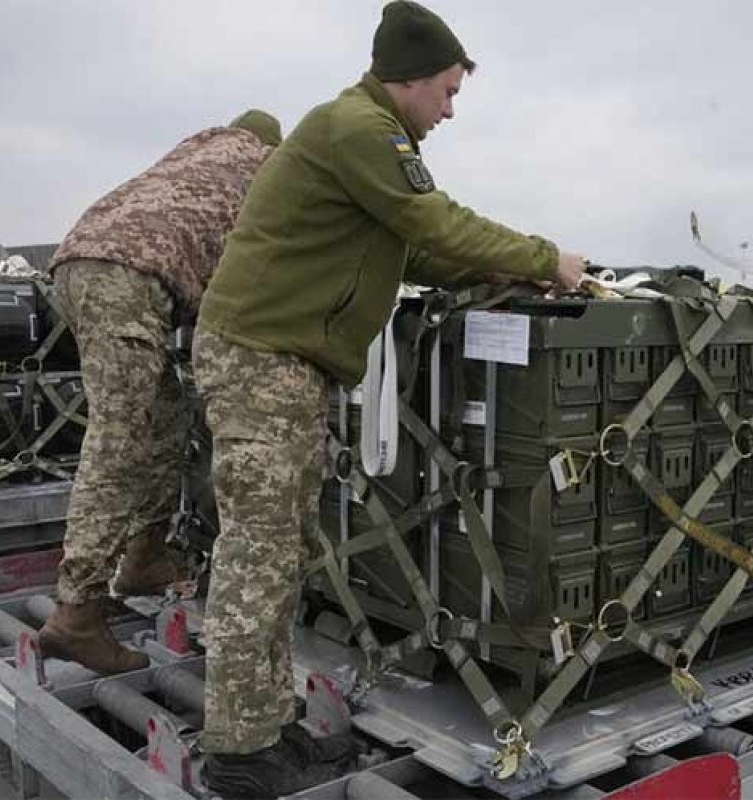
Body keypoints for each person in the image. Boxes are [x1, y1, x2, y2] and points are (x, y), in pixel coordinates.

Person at [192, 2, 587, 797]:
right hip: (262, 360)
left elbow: (414, 253)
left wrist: (519, 276)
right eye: (445, 91)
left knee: (284, 552)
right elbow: (433, 221)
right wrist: (551, 256)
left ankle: (266, 723)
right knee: (258, 559)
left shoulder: (368, 137)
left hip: (286, 365)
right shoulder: (359, 129)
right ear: (406, 82)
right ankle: (238, 750)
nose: (450, 109)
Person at [37, 110, 282, 675]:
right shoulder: (263, 168)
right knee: (118, 440)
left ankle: (145, 554)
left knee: (166, 415)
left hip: (81, 261)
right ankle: (76, 614)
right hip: (125, 276)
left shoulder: (198, 151)